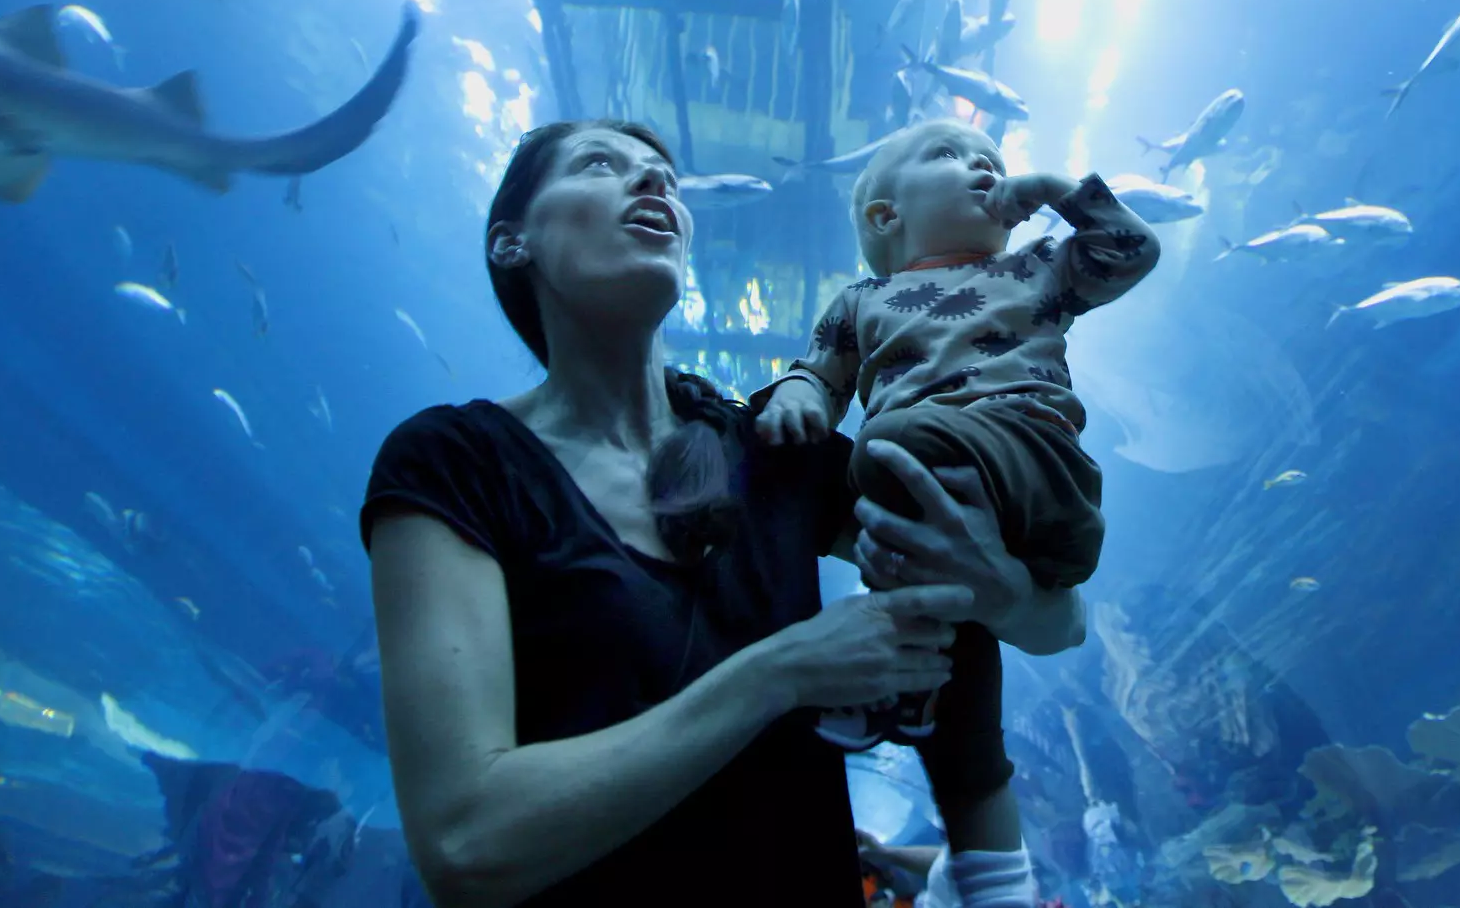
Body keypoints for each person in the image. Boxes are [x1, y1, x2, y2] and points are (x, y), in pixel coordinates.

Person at [361, 120, 1085, 908]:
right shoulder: (455, 461)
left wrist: (1005, 591)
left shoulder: (775, 449)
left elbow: (1059, 623)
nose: (654, 183)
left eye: (666, 178)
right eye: (599, 164)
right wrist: (785, 670)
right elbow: (465, 844)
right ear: (511, 241)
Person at [755, 118, 1159, 897]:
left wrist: (1057, 192)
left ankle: (891, 676)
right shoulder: (862, 300)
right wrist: (797, 395)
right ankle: (982, 851)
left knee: (890, 444)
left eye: (991, 159)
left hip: (1037, 468)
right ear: (886, 215)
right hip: (929, 487)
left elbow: (1133, 249)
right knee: (948, 610)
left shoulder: (1036, 268)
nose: (982, 167)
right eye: (950, 155)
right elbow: (817, 373)